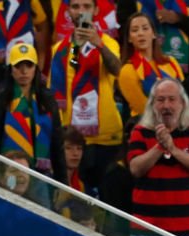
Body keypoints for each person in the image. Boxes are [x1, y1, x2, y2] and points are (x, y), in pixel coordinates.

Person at [127, 78, 189, 236]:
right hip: (146, 232)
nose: (166, 106)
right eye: (160, 100)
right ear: (153, 105)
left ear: (182, 103)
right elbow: (135, 168)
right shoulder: (140, 132)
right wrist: (159, 146)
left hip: (187, 234)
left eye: (172, 100)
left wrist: (174, 149)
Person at [50, 0, 123, 192]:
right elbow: (54, 94)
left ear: (96, 10)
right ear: (68, 12)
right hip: (73, 140)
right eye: (75, 7)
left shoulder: (108, 43)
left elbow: (117, 70)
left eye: (86, 6)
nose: (81, 11)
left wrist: (98, 44)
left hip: (106, 137)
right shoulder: (61, 49)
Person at [0, 42, 65, 185]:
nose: (24, 71)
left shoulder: (47, 100)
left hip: (42, 176)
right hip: (9, 172)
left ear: (36, 69)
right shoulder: (1, 99)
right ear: (10, 69)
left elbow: (57, 143)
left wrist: (63, 183)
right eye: (18, 66)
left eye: (29, 66)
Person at [117, 12, 184, 119]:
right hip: (148, 128)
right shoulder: (127, 71)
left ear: (153, 34)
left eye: (145, 28)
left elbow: (184, 96)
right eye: (135, 30)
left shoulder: (171, 62)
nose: (140, 33)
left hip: (179, 123)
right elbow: (144, 109)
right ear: (129, 38)